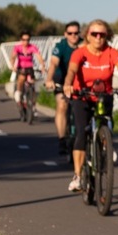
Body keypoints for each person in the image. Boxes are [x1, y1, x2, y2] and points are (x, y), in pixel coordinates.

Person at [62, 20, 118, 192]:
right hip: (82, 96)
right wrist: (68, 84)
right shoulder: (80, 52)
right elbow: (71, 71)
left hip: (103, 96)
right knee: (82, 134)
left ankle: (105, 146)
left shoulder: (112, 52)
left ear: (107, 36)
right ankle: (77, 176)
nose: (98, 38)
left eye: (102, 35)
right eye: (94, 34)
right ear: (87, 36)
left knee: (106, 125)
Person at [45, 21, 82, 155]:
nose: (74, 36)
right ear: (65, 34)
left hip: (78, 81)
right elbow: (54, 63)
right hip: (61, 79)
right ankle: (62, 139)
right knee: (62, 105)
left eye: (76, 33)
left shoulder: (84, 45)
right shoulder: (60, 46)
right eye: (70, 33)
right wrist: (49, 80)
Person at [9, 32, 43, 114]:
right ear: (21, 40)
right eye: (24, 40)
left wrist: (43, 66)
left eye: (28, 40)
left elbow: (39, 56)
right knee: (21, 79)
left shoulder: (32, 47)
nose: (26, 42)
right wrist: (12, 66)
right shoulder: (17, 47)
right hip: (21, 68)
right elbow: (13, 57)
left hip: (30, 68)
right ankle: (19, 96)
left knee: (33, 84)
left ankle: (33, 103)